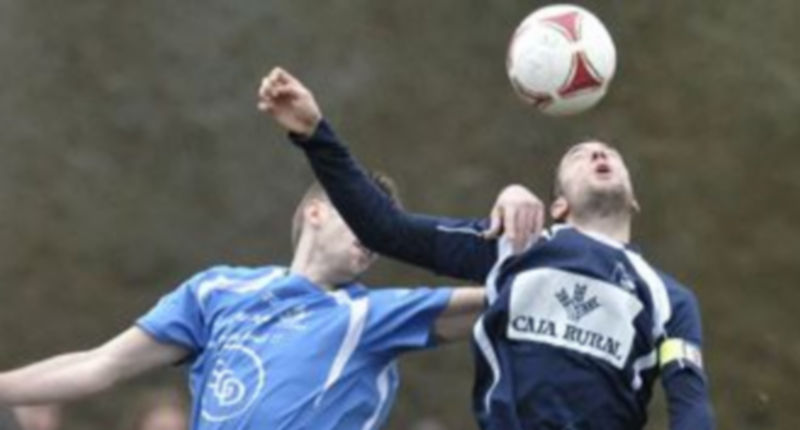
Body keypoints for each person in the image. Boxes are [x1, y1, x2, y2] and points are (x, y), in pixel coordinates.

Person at [258, 66, 715, 430]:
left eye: (610, 154)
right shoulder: (516, 245)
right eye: (580, 155)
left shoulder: (670, 299)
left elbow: (690, 402)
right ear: (558, 205)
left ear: (633, 200)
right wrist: (315, 133)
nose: (599, 155)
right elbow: (386, 230)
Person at [0, 172, 541, 429]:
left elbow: (518, 293)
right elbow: (99, 365)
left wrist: (517, 219)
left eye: (386, 231)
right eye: (365, 218)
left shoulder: (371, 317)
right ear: (315, 212)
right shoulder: (217, 291)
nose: (376, 237)